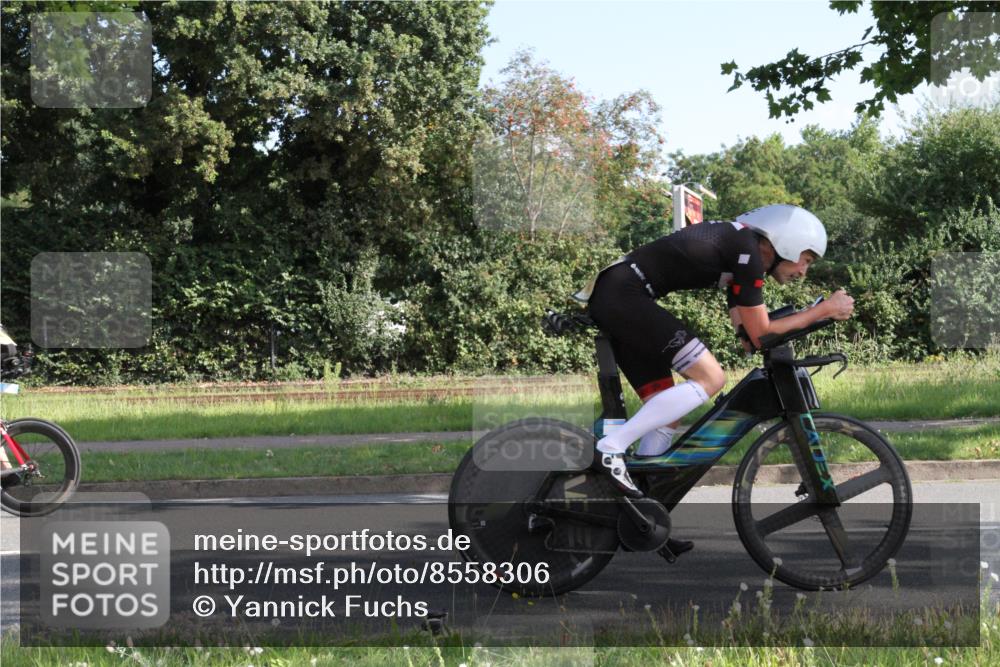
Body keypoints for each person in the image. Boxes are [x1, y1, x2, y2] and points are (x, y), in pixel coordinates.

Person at [576, 204, 855, 499]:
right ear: (789, 243)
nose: (803, 271)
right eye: (806, 259)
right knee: (711, 377)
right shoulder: (748, 254)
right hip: (624, 295)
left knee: (665, 411)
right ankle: (609, 449)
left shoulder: (741, 250)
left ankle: (644, 509)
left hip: (619, 293)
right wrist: (824, 309)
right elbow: (761, 331)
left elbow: (749, 335)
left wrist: (799, 320)